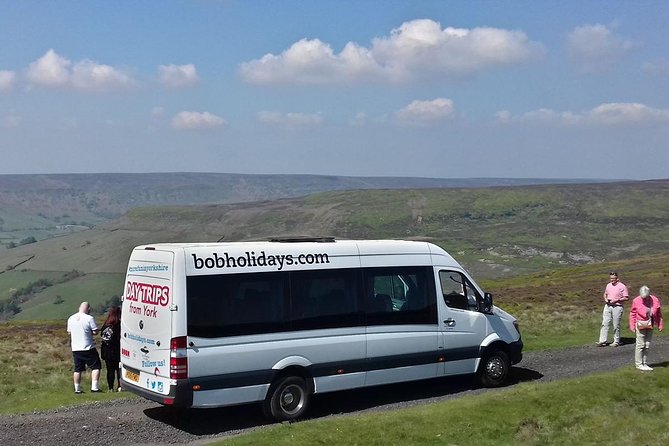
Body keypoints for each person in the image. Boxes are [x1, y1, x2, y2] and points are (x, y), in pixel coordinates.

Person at [66, 302, 102, 393]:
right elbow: (95, 332)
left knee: (78, 369)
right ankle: (94, 387)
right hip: (88, 346)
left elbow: (69, 332)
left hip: (76, 348)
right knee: (96, 366)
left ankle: (77, 389)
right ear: (88, 309)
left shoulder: (71, 318)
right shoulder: (89, 318)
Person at [629, 286, 663, 371]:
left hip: (650, 324)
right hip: (640, 324)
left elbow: (658, 313)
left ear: (649, 294)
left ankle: (644, 363)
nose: (644, 299)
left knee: (647, 345)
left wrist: (660, 324)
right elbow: (632, 313)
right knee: (640, 344)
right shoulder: (636, 301)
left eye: (646, 297)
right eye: (642, 297)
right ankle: (639, 364)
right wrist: (632, 325)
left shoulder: (655, 299)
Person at [597, 271, 629, 347]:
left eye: (614, 278)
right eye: (611, 278)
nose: (612, 280)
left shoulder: (622, 286)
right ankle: (602, 341)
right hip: (608, 305)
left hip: (617, 306)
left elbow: (626, 297)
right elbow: (605, 294)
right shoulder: (608, 285)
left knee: (616, 324)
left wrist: (617, 300)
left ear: (617, 278)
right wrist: (605, 298)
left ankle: (616, 341)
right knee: (605, 323)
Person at [100, 306, 122, 392]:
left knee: (110, 370)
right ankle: (120, 386)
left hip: (106, 351)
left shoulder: (105, 325)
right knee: (118, 370)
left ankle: (110, 388)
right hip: (116, 350)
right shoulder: (118, 325)